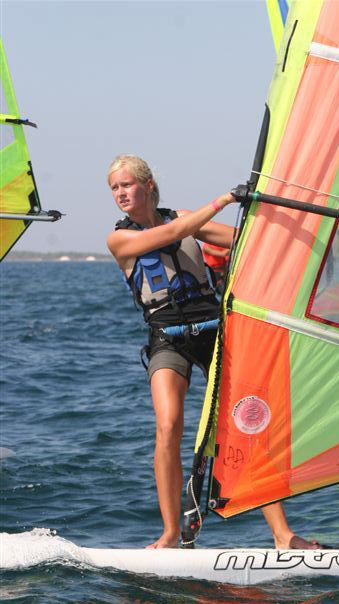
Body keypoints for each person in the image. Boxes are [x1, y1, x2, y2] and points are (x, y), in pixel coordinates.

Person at [107, 154, 320, 550]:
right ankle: (170, 533)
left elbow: (244, 240)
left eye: (127, 184)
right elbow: (174, 233)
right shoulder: (119, 239)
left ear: (148, 185)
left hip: (215, 333)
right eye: (114, 188)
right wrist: (223, 200)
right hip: (168, 338)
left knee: (246, 422)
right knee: (168, 425)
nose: (120, 193)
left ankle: (283, 534)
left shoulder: (187, 219)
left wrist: (272, 215)